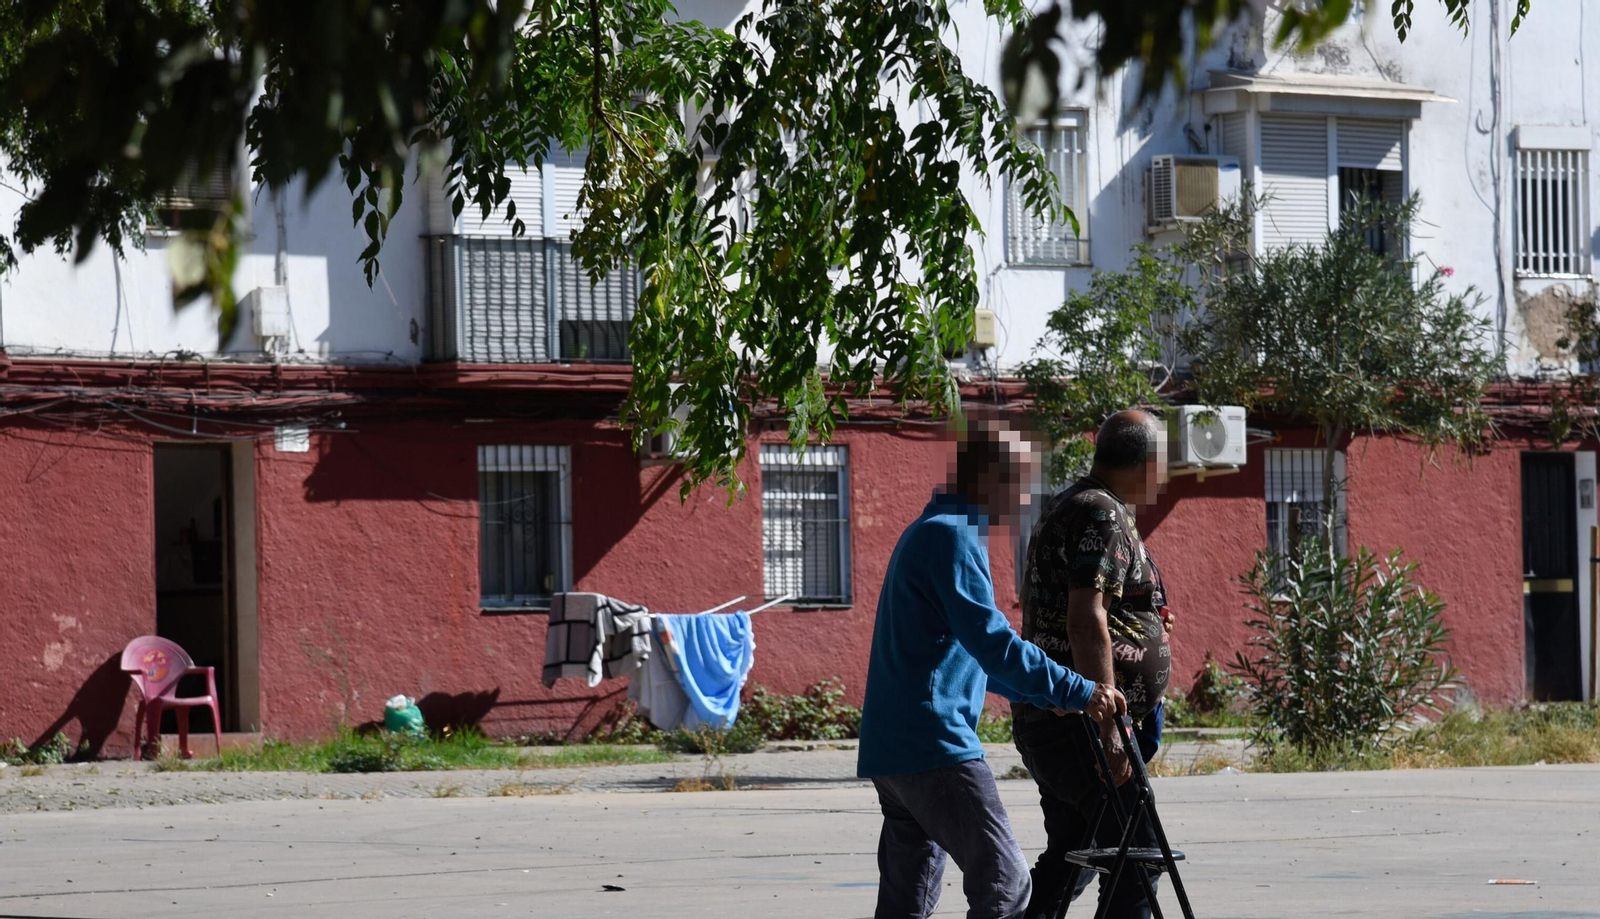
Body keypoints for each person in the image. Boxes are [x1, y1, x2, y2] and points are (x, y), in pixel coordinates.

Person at [858, 418, 1128, 919]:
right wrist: (1079, 690)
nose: (1022, 500)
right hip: (933, 746)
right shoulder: (952, 538)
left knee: (907, 897)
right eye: (1018, 484)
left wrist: (1054, 697)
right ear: (986, 479)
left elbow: (976, 660)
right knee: (1005, 884)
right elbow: (995, 644)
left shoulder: (928, 531)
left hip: (892, 750)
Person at [1014, 410, 1173, 919]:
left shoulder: (1075, 504)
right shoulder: (1099, 513)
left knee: (1073, 852)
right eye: (1164, 461)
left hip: (1058, 716)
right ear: (1145, 462)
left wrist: (1149, 620)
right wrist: (1109, 723)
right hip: (1083, 724)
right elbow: (1085, 619)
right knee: (1137, 854)